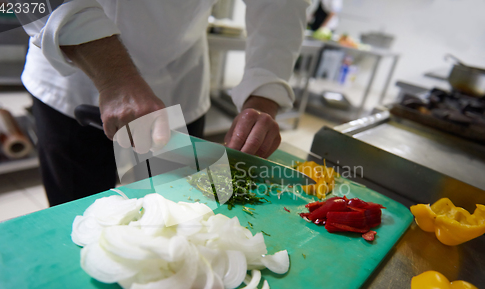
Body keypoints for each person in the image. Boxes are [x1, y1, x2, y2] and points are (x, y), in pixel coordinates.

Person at [20, 0, 309, 206]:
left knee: (181, 212)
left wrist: (264, 95)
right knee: (77, 215)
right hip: (74, 81)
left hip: (178, 83)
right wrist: (114, 77)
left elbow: (281, 6)